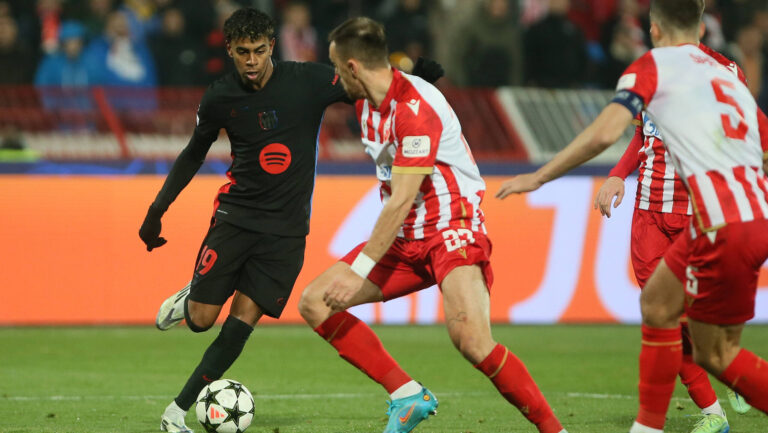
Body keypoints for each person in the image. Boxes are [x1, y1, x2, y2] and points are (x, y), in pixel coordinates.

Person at [137, 8, 444, 433]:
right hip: (236, 218)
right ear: (229, 49)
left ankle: (176, 414)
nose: (251, 60)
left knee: (240, 324)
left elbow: (367, 84)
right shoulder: (219, 97)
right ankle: (193, 297)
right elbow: (194, 153)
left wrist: (414, 72)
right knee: (201, 320)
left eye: (259, 51)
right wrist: (157, 211)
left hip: (285, 231)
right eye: (242, 52)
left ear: (271, 47)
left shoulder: (309, 80)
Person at [496, 1, 768, 432]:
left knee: (717, 353)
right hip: (743, 216)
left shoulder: (651, 66)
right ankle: (654, 425)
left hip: (716, 219)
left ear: (654, 29)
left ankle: (692, 414)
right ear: (700, 26)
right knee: (661, 308)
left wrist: (540, 176)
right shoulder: (727, 77)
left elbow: (604, 132)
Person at [297, 17, 568, 433]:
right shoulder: (366, 102)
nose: (334, 77)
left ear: (352, 67)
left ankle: (555, 430)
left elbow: (404, 196)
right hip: (405, 238)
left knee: (472, 341)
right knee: (314, 302)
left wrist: (361, 272)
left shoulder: (415, 111)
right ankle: (406, 395)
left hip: (450, 229)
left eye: (336, 67)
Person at [593, 39, 756, 432]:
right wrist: (617, 174)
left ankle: (727, 368)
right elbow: (642, 134)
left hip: (699, 213)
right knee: (661, 315)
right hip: (648, 213)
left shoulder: (726, 73)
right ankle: (713, 412)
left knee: (683, 314)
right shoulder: (645, 71)